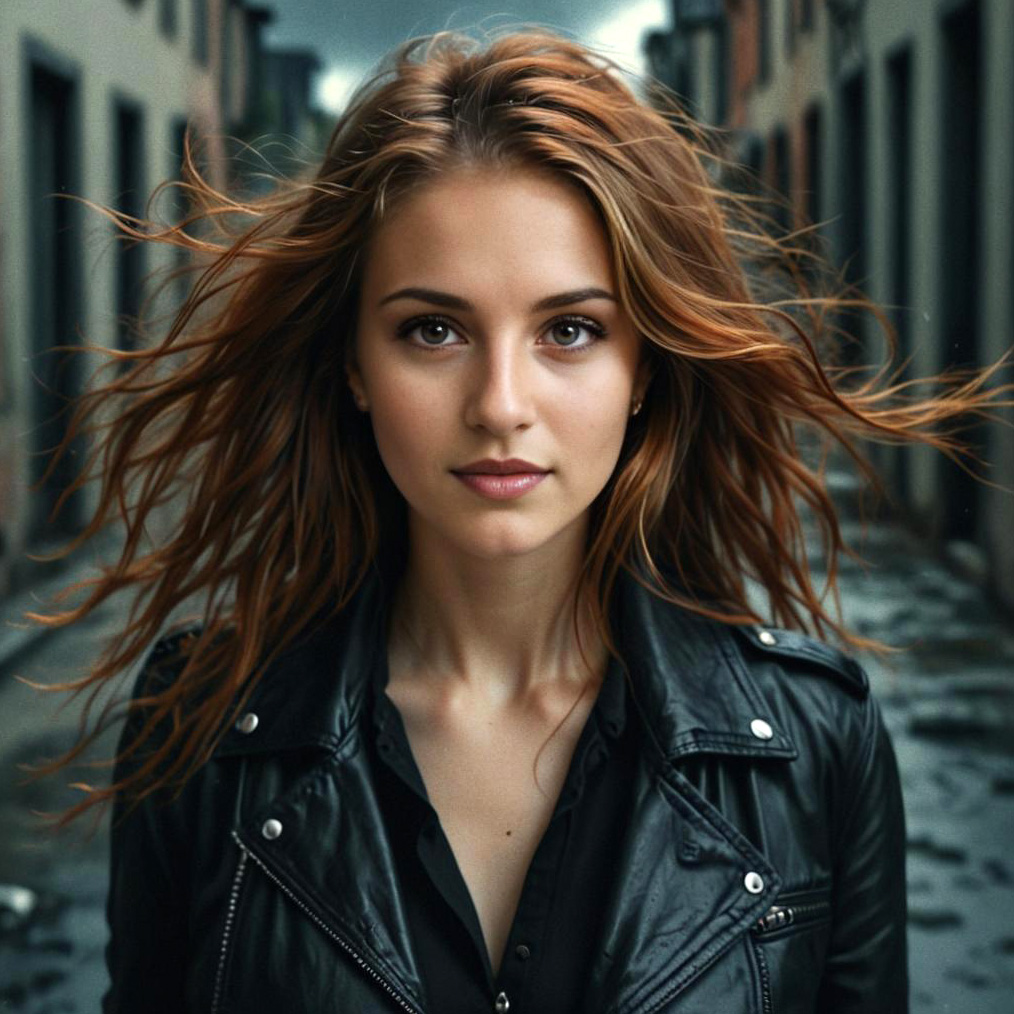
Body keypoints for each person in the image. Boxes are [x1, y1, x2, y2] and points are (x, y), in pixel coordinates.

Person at [24, 27, 1012, 1014]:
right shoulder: (197, 727)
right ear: (354, 368)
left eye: (570, 330)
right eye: (434, 330)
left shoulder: (818, 743)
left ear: (645, 371)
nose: (501, 403)